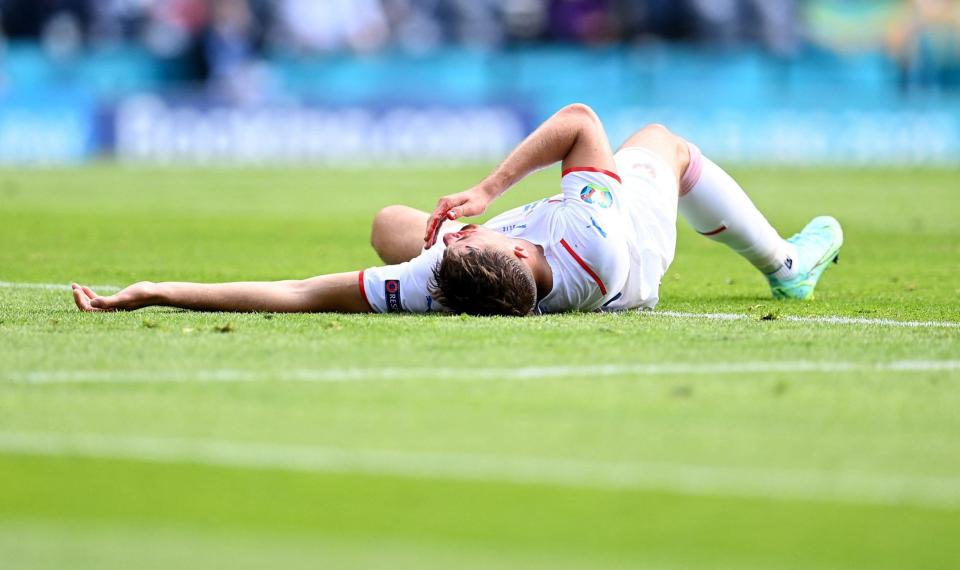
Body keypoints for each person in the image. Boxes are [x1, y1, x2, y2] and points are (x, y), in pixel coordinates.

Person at [71, 103, 843, 316]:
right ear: (510, 250)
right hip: (635, 257)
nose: (454, 237)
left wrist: (159, 289)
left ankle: (783, 261)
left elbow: (300, 292)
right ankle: (785, 265)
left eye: (453, 240)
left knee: (387, 225)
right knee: (663, 143)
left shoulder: (435, 287)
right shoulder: (592, 229)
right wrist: (486, 195)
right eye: (461, 240)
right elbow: (579, 118)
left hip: (560, 269)